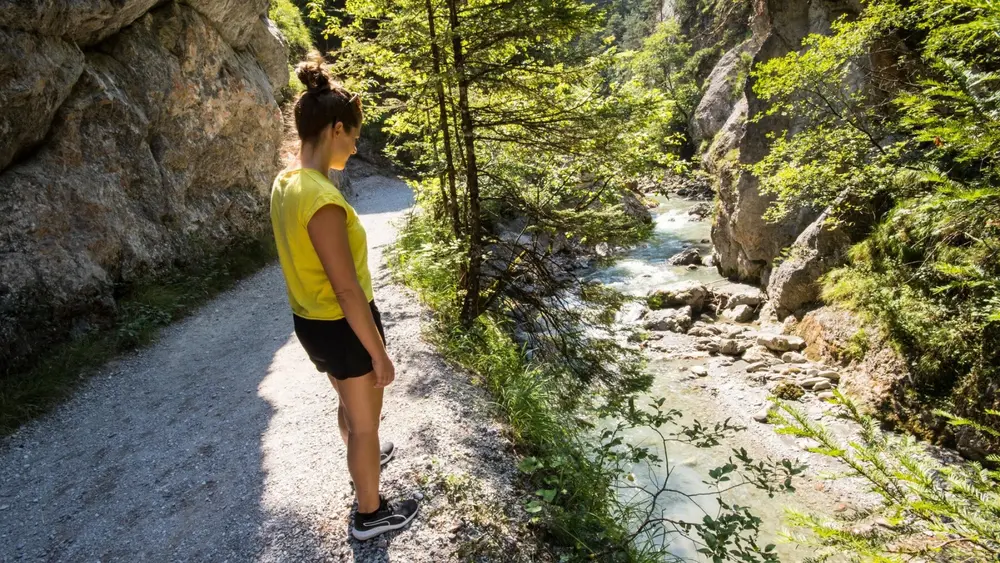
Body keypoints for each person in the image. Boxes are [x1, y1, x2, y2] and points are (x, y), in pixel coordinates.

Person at [269, 59, 419, 541]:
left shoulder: (287, 183)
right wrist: (380, 352)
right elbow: (347, 289)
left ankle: (363, 456)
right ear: (335, 129)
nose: (354, 148)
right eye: (352, 137)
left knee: (351, 407)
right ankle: (370, 514)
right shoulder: (323, 199)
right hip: (342, 321)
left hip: (310, 319)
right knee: (367, 425)